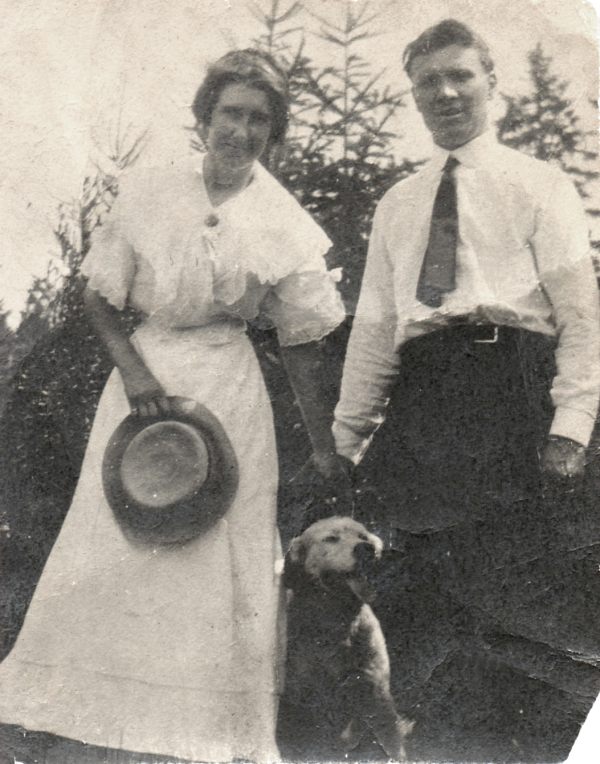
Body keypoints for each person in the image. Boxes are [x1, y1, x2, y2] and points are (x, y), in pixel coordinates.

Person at [0, 49, 347, 764]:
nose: (242, 131)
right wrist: (134, 372)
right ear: (204, 117)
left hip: (230, 387)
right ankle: (97, 713)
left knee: (215, 549)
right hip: (144, 386)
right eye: (231, 113)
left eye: (260, 119)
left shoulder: (283, 221)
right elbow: (99, 295)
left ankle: (202, 732)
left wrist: (323, 444)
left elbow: (303, 342)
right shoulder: (151, 190)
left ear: (272, 132)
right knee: (124, 537)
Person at [330, 19, 600, 759]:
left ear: (491, 84)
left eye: (461, 76)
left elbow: (582, 317)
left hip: (513, 391)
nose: (445, 92)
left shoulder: (539, 185)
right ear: (415, 97)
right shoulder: (398, 203)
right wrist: (347, 439)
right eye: (428, 82)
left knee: (517, 584)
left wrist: (571, 426)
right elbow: (377, 332)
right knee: (412, 593)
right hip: (426, 402)